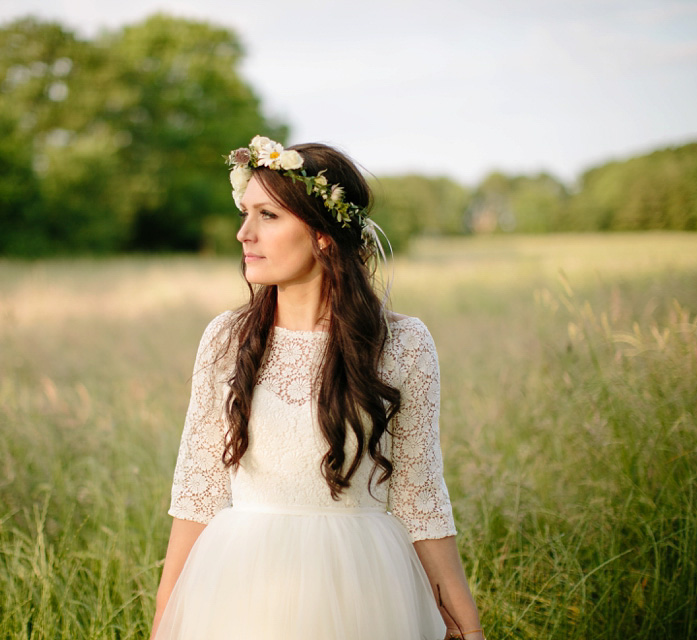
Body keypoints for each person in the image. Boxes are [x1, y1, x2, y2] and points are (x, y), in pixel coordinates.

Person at [150, 136, 485, 640]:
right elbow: (198, 493)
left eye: (268, 216)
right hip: (243, 590)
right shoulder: (227, 338)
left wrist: (468, 626)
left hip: (364, 589)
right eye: (245, 213)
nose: (244, 233)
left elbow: (420, 496)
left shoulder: (403, 344)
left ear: (324, 234)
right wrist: (163, 623)